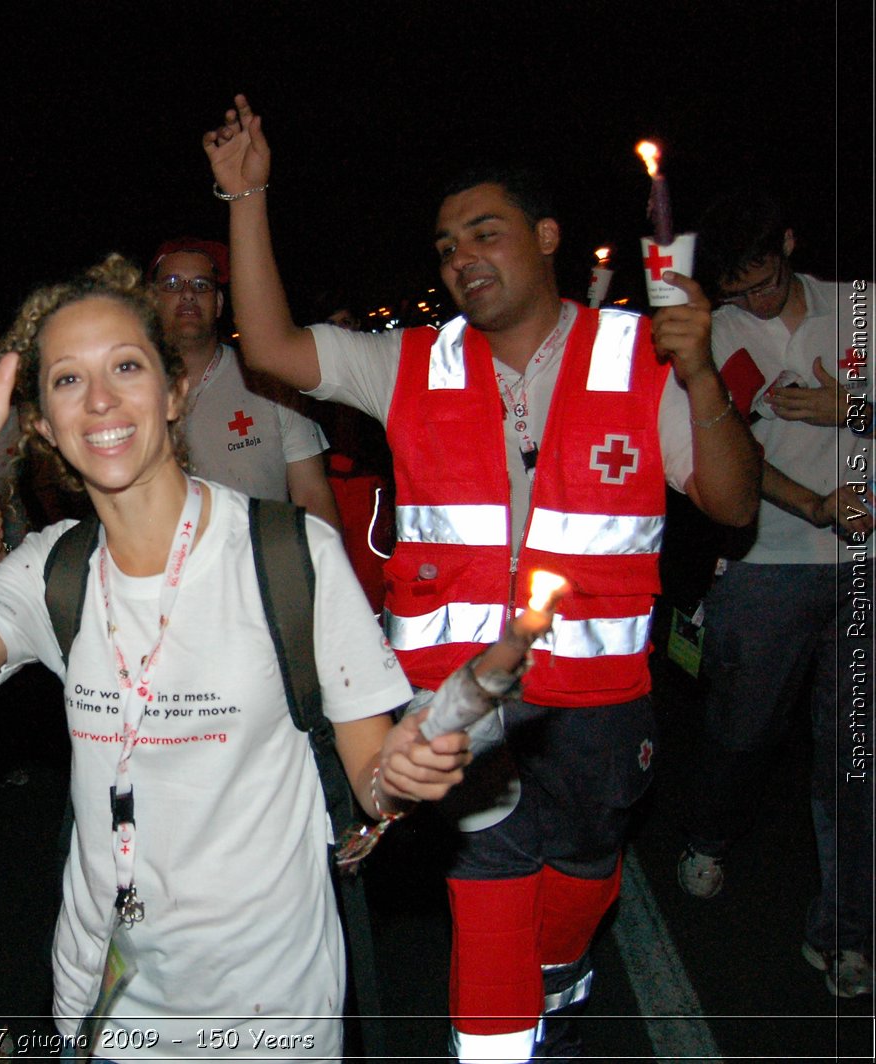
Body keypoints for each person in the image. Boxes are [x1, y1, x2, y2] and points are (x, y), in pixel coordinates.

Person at [203, 94, 760, 1060]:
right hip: (457, 709)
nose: (462, 257)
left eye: (484, 233)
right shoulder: (408, 364)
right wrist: (246, 195)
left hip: (598, 703)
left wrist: (704, 377)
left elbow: (733, 504)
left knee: (582, 881)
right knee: (490, 896)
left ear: (546, 239)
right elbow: (275, 346)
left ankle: (560, 984)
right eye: (446, 243)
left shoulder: (637, 354)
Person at [0, 268, 471, 1059]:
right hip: (107, 1002)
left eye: (126, 366)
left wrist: (402, 770)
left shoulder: (289, 553)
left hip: (270, 1007)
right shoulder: (55, 568)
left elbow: (370, 777)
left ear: (173, 393)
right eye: (66, 380)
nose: (99, 400)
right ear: (44, 426)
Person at [676, 188, 873, 997]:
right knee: (742, 733)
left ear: (789, 240)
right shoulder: (722, 330)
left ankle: (846, 933)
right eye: (739, 285)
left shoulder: (860, 308)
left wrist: (853, 406)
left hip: (863, 567)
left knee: (853, 757)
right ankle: (712, 836)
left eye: (764, 278)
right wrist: (817, 504)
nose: (755, 298)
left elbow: (833, 407)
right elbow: (743, 448)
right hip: (767, 562)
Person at [146, 237, 342, 531]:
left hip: (262, 568)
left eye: (202, 285)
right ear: (152, 301)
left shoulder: (270, 380)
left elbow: (312, 494)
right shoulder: (130, 394)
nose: (188, 294)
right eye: (173, 283)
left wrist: (325, 574)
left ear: (219, 304)